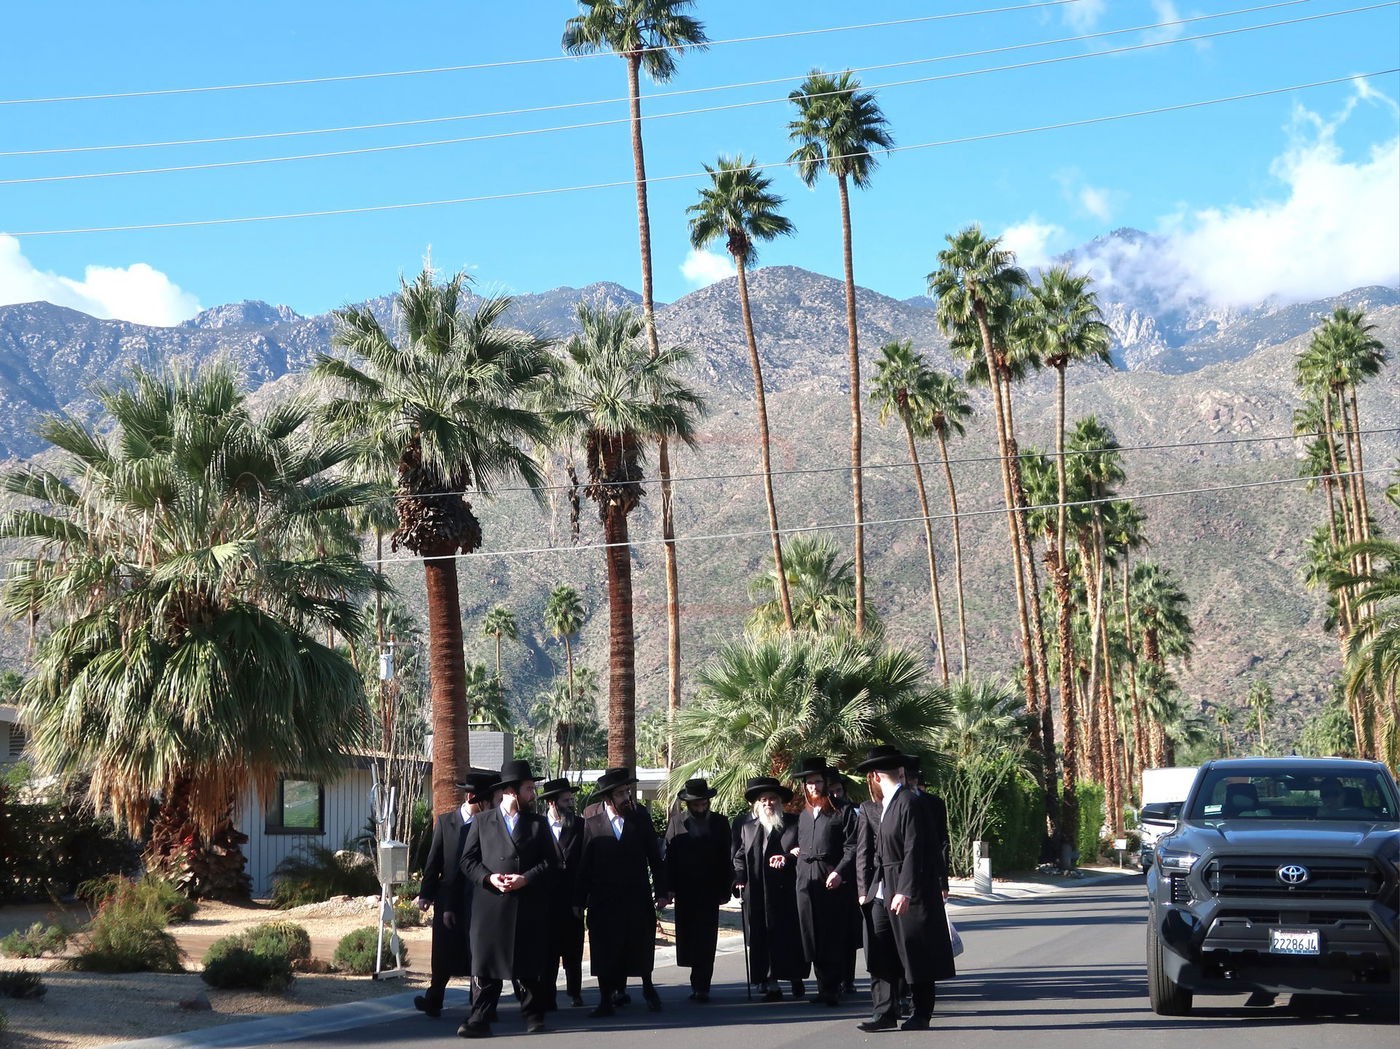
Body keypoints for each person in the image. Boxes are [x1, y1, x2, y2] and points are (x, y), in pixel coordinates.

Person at [854, 745, 956, 1032]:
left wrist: (905, 890)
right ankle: (884, 1011)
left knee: (916, 949)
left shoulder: (909, 802)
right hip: (883, 887)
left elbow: (916, 849)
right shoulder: (886, 804)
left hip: (907, 886)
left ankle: (921, 1013)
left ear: (874, 775)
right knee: (879, 947)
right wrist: (870, 888)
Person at [457, 759, 558, 1038]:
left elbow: (552, 862)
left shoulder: (538, 824)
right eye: (528, 788)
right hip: (490, 907)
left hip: (526, 906)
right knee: (486, 966)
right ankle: (480, 1018)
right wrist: (489, 878)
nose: (533, 794)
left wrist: (526, 878)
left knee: (527, 964)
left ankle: (533, 1015)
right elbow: (467, 861)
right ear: (512, 791)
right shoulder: (481, 821)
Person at [574, 766, 671, 1018]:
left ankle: (648, 989)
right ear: (608, 798)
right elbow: (584, 864)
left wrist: (662, 891)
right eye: (621, 793)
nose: (627, 797)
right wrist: (578, 900)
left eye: (628, 791)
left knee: (640, 944)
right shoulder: (592, 824)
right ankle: (606, 999)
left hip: (636, 897)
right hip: (603, 901)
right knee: (605, 949)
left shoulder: (640, 818)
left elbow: (655, 858)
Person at [414, 770, 496, 1020]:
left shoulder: (490, 825)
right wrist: (426, 894)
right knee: (443, 954)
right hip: (448, 898)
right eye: (487, 798)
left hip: (479, 898)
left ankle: (480, 1006)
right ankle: (434, 999)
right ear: (473, 797)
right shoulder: (446, 822)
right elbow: (434, 862)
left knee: (477, 953)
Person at [732, 776, 809, 1001]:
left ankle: (795, 978)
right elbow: (739, 856)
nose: (768, 804)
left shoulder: (794, 823)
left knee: (789, 938)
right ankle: (770, 982)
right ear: (758, 804)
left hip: (787, 893)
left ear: (780, 802)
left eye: (772, 799)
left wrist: (789, 857)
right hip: (757, 893)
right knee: (762, 938)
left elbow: (805, 849)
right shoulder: (748, 828)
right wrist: (739, 878)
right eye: (764, 800)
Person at [791, 756, 858, 1006]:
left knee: (831, 933)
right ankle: (822, 987)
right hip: (805, 880)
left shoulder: (844, 811)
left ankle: (834, 987)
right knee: (811, 933)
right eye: (809, 783)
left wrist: (839, 871)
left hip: (831, 877)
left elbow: (853, 847)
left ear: (826, 783)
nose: (813, 787)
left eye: (817, 782)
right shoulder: (805, 815)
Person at [664, 777, 733, 1002]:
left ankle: (703, 985)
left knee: (707, 938)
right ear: (689, 805)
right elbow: (669, 858)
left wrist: (726, 889)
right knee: (689, 938)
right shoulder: (676, 823)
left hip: (710, 891)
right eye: (696, 805)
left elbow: (727, 858)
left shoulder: (721, 823)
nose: (700, 808)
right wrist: (669, 888)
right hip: (685, 891)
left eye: (704, 804)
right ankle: (696, 980)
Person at [539, 777, 585, 1009]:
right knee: (548, 951)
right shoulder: (537, 826)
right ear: (552, 803)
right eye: (565, 800)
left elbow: (586, 865)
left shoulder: (581, 825)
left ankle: (575, 993)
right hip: (546, 902)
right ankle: (548, 996)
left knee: (573, 950)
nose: (570, 803)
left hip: (572, 900)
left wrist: (581, 899)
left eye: (571, 799)